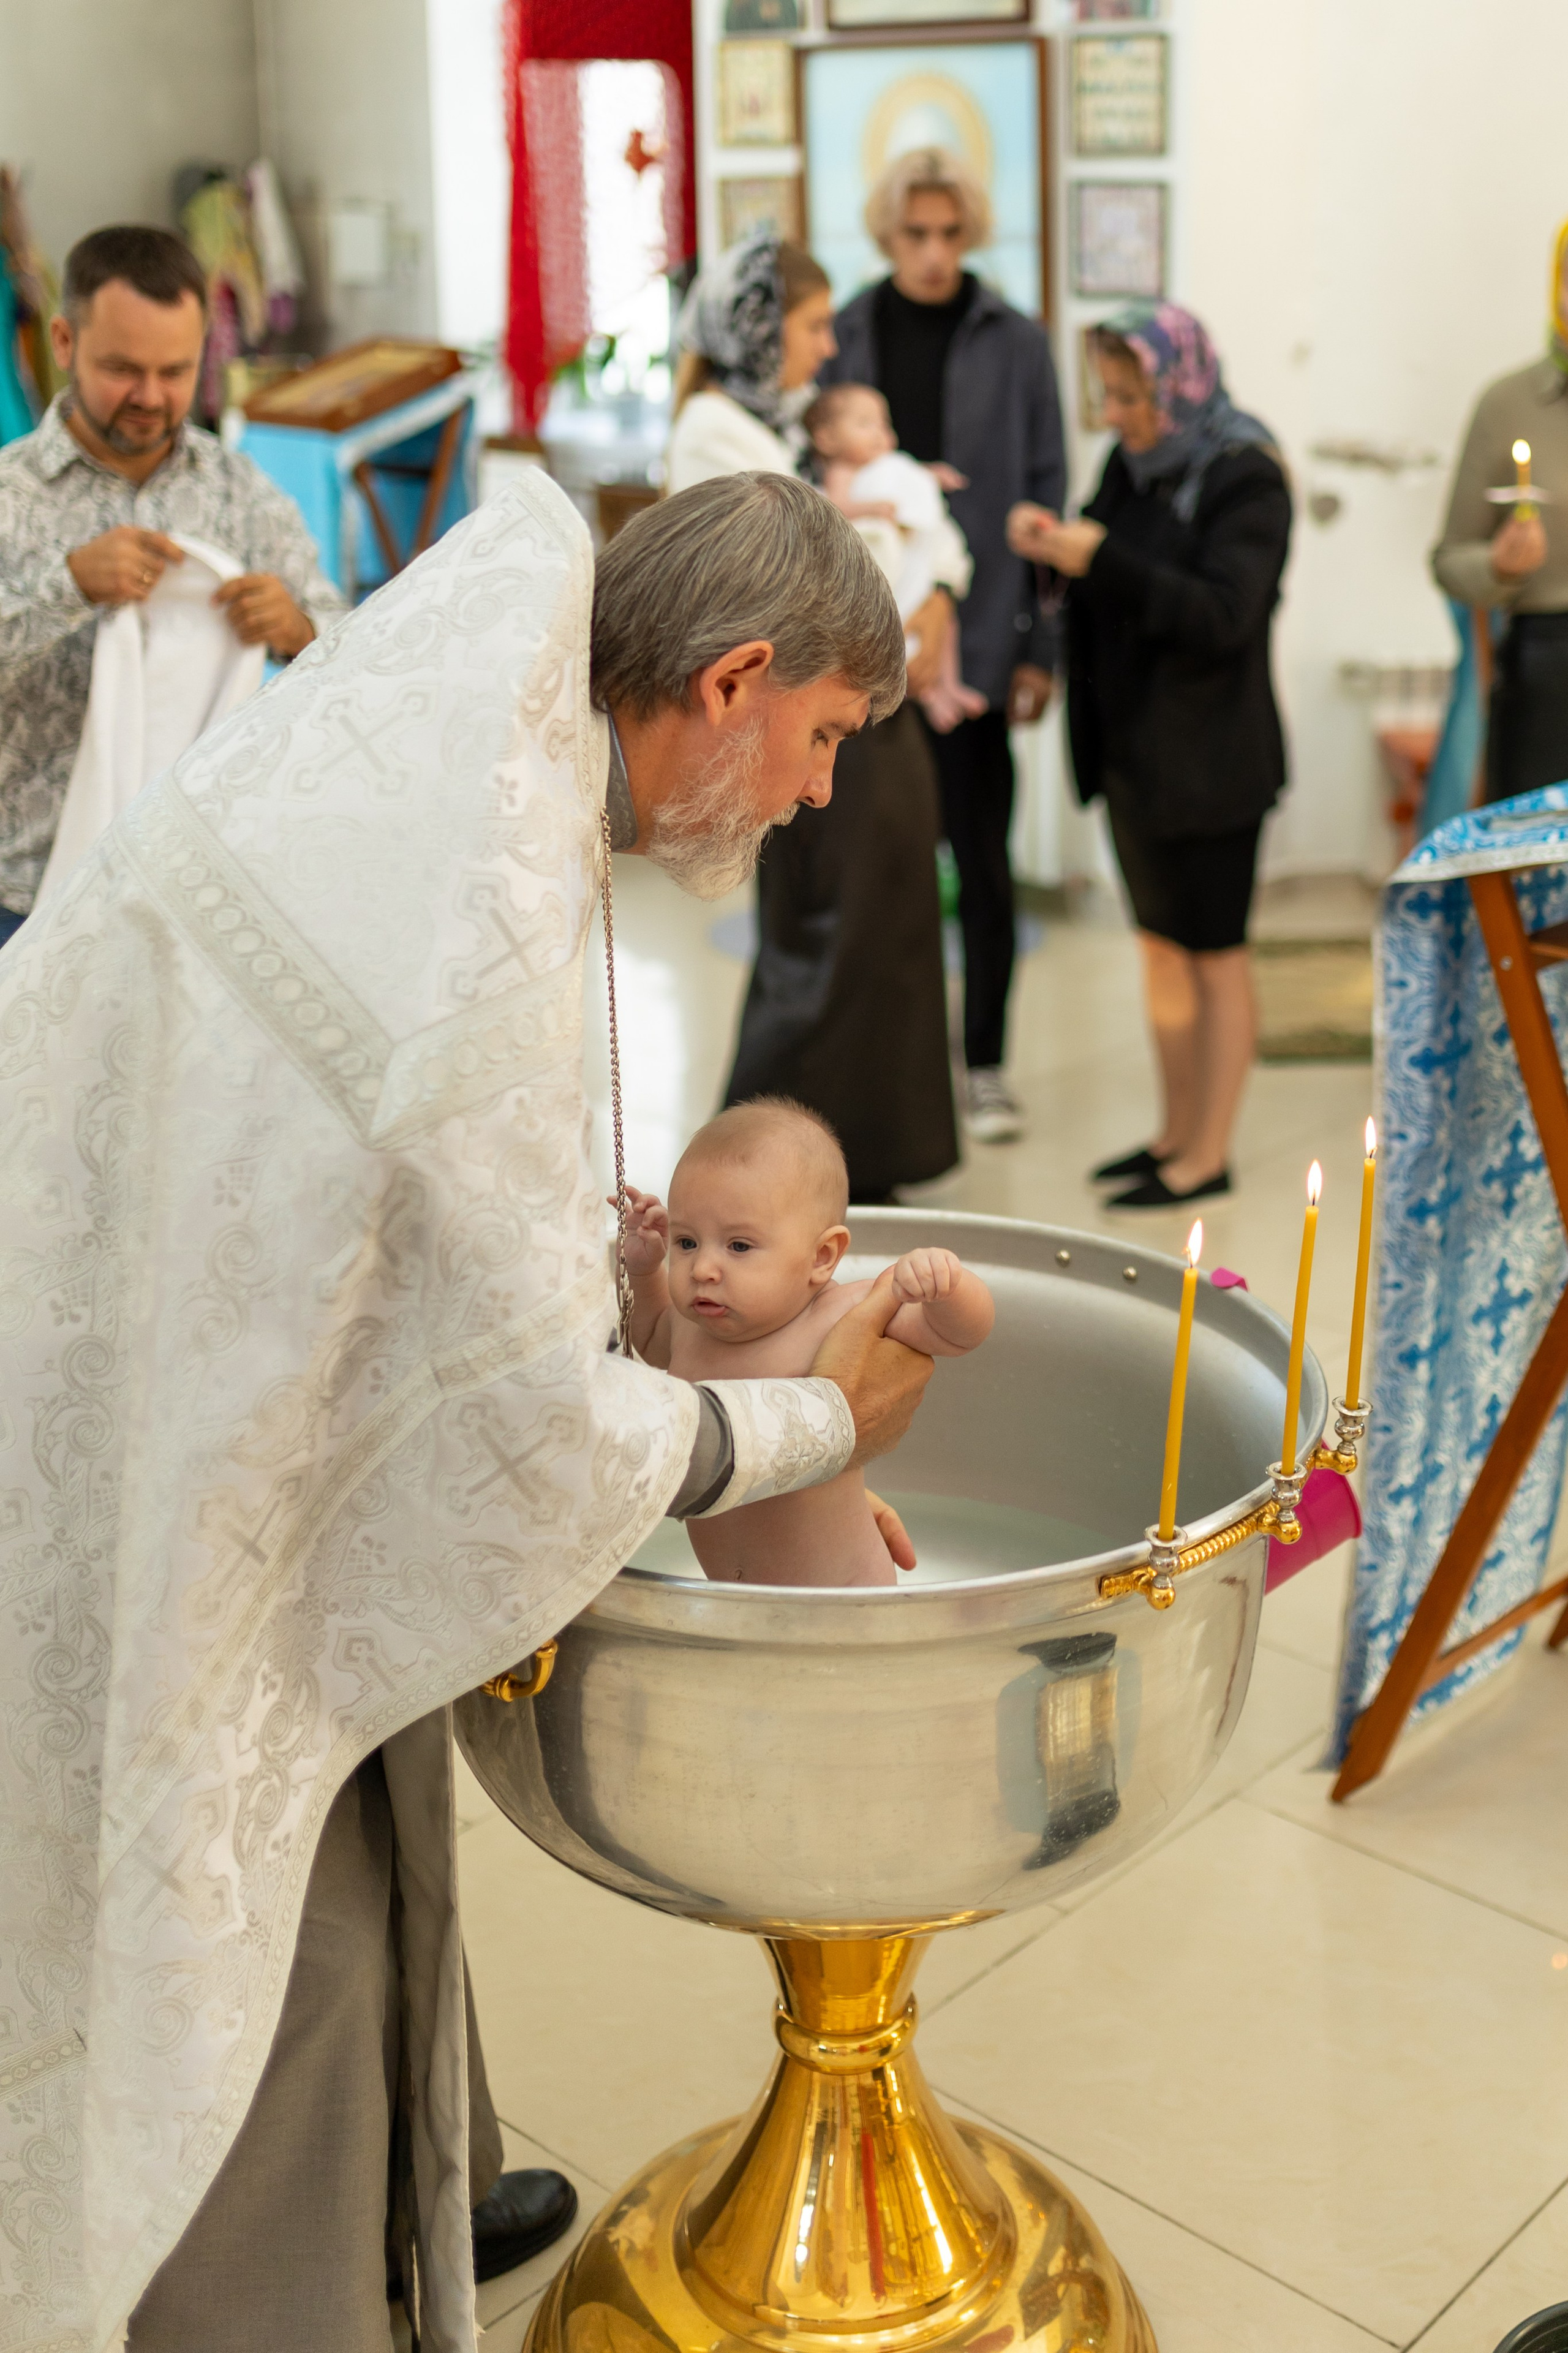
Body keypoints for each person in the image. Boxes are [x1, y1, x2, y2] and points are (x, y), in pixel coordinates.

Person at [0, 466, 937, 2352]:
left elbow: (368, 1187)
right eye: (822, 737)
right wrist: (821, 1423)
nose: (819, 790)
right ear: (735, 678)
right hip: (154, 1480)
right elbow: (529, 1447)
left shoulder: (475, 705)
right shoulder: (494, 861)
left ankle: (376, 2240)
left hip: (97, 1338)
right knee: (266, 1960)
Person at [668, 233, 960, 1202]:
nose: (825, 347)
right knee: (823, 948)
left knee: (885, 940)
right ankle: (761, 1177)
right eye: (808, 325)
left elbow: (906, 524)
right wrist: (905, 592)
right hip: (808, 722)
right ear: (755, 331)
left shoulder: (787, 426)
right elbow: (826, 572)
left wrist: (939, 591)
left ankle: (866, 1163)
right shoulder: (720, 433)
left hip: (869, 711)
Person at [1008, 302, 1291, 1209]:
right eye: (1109, 393)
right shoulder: (1128, 467)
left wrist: (1101, 560)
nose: (1115, 413)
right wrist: (1052, 552)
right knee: (1162, 953)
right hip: (1133, 754)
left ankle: (1208, 1154)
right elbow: (1099, 577)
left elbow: (1222, 615)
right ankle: (1172, 1134)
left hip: (1211, 765)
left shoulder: (1248, 474)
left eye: (1131, 394)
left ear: (1179, 382)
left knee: (1215, 958)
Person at [0, 224, 344, 946]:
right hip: (25, 898)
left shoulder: (239, 491)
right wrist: (67, 588)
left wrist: (296, 629)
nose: (151, 397)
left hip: (196, 889)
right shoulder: (10, 500)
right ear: (63, 343)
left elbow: (345, 648)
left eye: (176, 371)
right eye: (123, 368)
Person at [818, 148, 1067, 1144]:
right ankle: (883, 1070)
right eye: (914, 234)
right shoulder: (844, 336)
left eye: (949, 234)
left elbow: (1047, 493)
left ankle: (988, 1065)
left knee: (984, 864)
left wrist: (1041, 645)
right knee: (879, 873)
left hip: (980, 637)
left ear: (972, 236)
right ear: (886, 238)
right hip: (861, 652)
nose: (932, 253)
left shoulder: (1016, 342)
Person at [621, 1099, 993, 1587]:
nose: (703, 1269)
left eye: (739, 1246)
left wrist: (948, 1285)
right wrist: (646, 1271)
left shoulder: (843, 1317)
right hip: (734, 1599)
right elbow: (647, 1337)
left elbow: (959, 1335)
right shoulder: (694, 1325)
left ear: (822, 1256)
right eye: (687, 1242)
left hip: (841, 1601)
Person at [1433, 218, 1568, 806]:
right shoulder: (1507, 404)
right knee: (1541, 875)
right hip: (1546, 666)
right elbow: (1447, 560)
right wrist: (1499, 566)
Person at [806, 382, 983, 733]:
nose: (878, 434)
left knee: (947, 624)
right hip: (885, 574)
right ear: (826, 439)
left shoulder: (890, 466)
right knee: (905, 631)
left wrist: (934, 475)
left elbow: (914, 477)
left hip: (915, 561)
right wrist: (871, 507)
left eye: (883, 425)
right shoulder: (842, 471)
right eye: (863, 424)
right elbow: (837, 507)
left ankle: (950, 685)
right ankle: (930, 694)